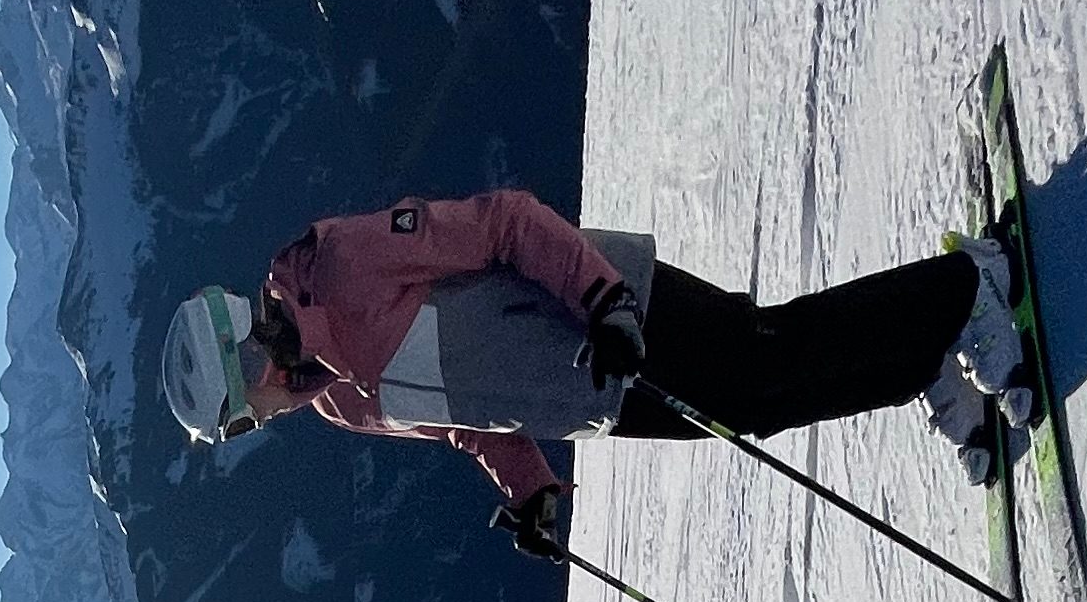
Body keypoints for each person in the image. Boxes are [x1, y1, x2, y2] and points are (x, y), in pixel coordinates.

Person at [157, 188, 1030, 562]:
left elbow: (502, 223)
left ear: (247, 359)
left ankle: (966, 285)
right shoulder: (333, 402)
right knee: (759, 410)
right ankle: (921, 360)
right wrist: (530, 486)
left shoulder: (343, 265)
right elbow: (464, 423)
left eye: (241, 416)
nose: (257, 426)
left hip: (608, 315)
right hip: (592, 397)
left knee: (771, 351)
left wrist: (604, 297)